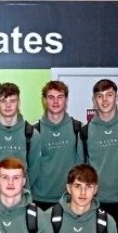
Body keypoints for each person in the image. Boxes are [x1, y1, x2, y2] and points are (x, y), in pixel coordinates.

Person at [0, 82, 42, 202]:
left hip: (21, 201)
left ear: (19, 103)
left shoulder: (32, 134)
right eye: (3, 101)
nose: (8, 105)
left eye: (12, 101)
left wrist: (19, 189)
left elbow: (34, 170)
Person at [83, 79, 118, 224]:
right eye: (100, 96)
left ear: (116, 98)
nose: (104, 100)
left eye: (109, 95)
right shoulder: (85, 131)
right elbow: (83, 170)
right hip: (94, 202)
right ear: (94, 100)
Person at [31, 81, 83, 211]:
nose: (55, 101)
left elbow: (83, 166)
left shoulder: (78, 128)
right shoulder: (32, 131)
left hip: (70, 199)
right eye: (51, 97)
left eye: (60, 97)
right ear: (44, 100)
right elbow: (28, 168)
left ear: (66, 100)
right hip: (39, 199)